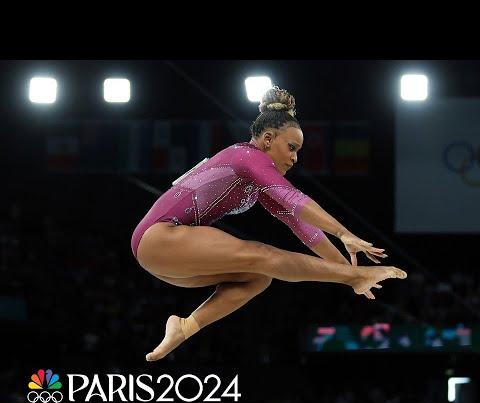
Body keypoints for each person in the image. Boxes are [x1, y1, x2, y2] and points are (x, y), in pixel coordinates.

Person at [131, 86, 407, 361]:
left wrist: (347, 272)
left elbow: (302, 226)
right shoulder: (247, 157)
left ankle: (184, 326)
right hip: (159, 237)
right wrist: (344, 235)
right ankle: (355, 276)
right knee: (263, 254)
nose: (295, 157)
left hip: (166, 261)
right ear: (266, 138)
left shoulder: (255, 178)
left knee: (258, 276)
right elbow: (295, 198)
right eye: (291, 147)